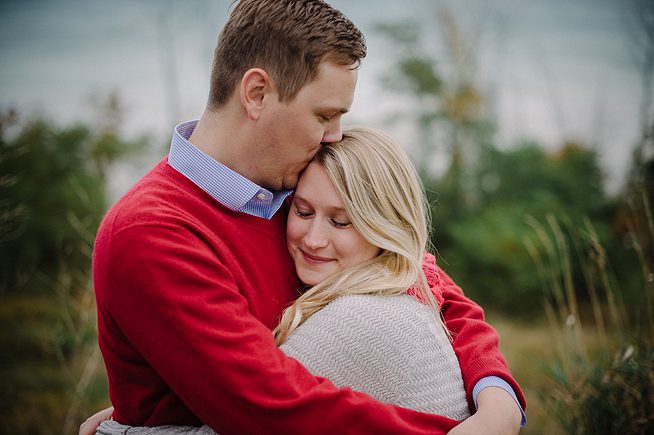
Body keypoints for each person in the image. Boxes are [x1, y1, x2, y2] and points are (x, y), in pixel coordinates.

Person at [88, 1, 526, 434]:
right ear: (257, 93)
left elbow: (419, 276)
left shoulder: (286, 195)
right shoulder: (152, 231)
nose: (335, 135)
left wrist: (497, 400)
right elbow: (269, 407)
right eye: (324, 115)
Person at [93, 126, 476, 435]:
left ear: (384, 230)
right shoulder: (394, 283)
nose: (313, 239)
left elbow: (255, 425)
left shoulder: (357, 320)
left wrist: (120, 428)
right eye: (303, 211)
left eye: (340, 222)